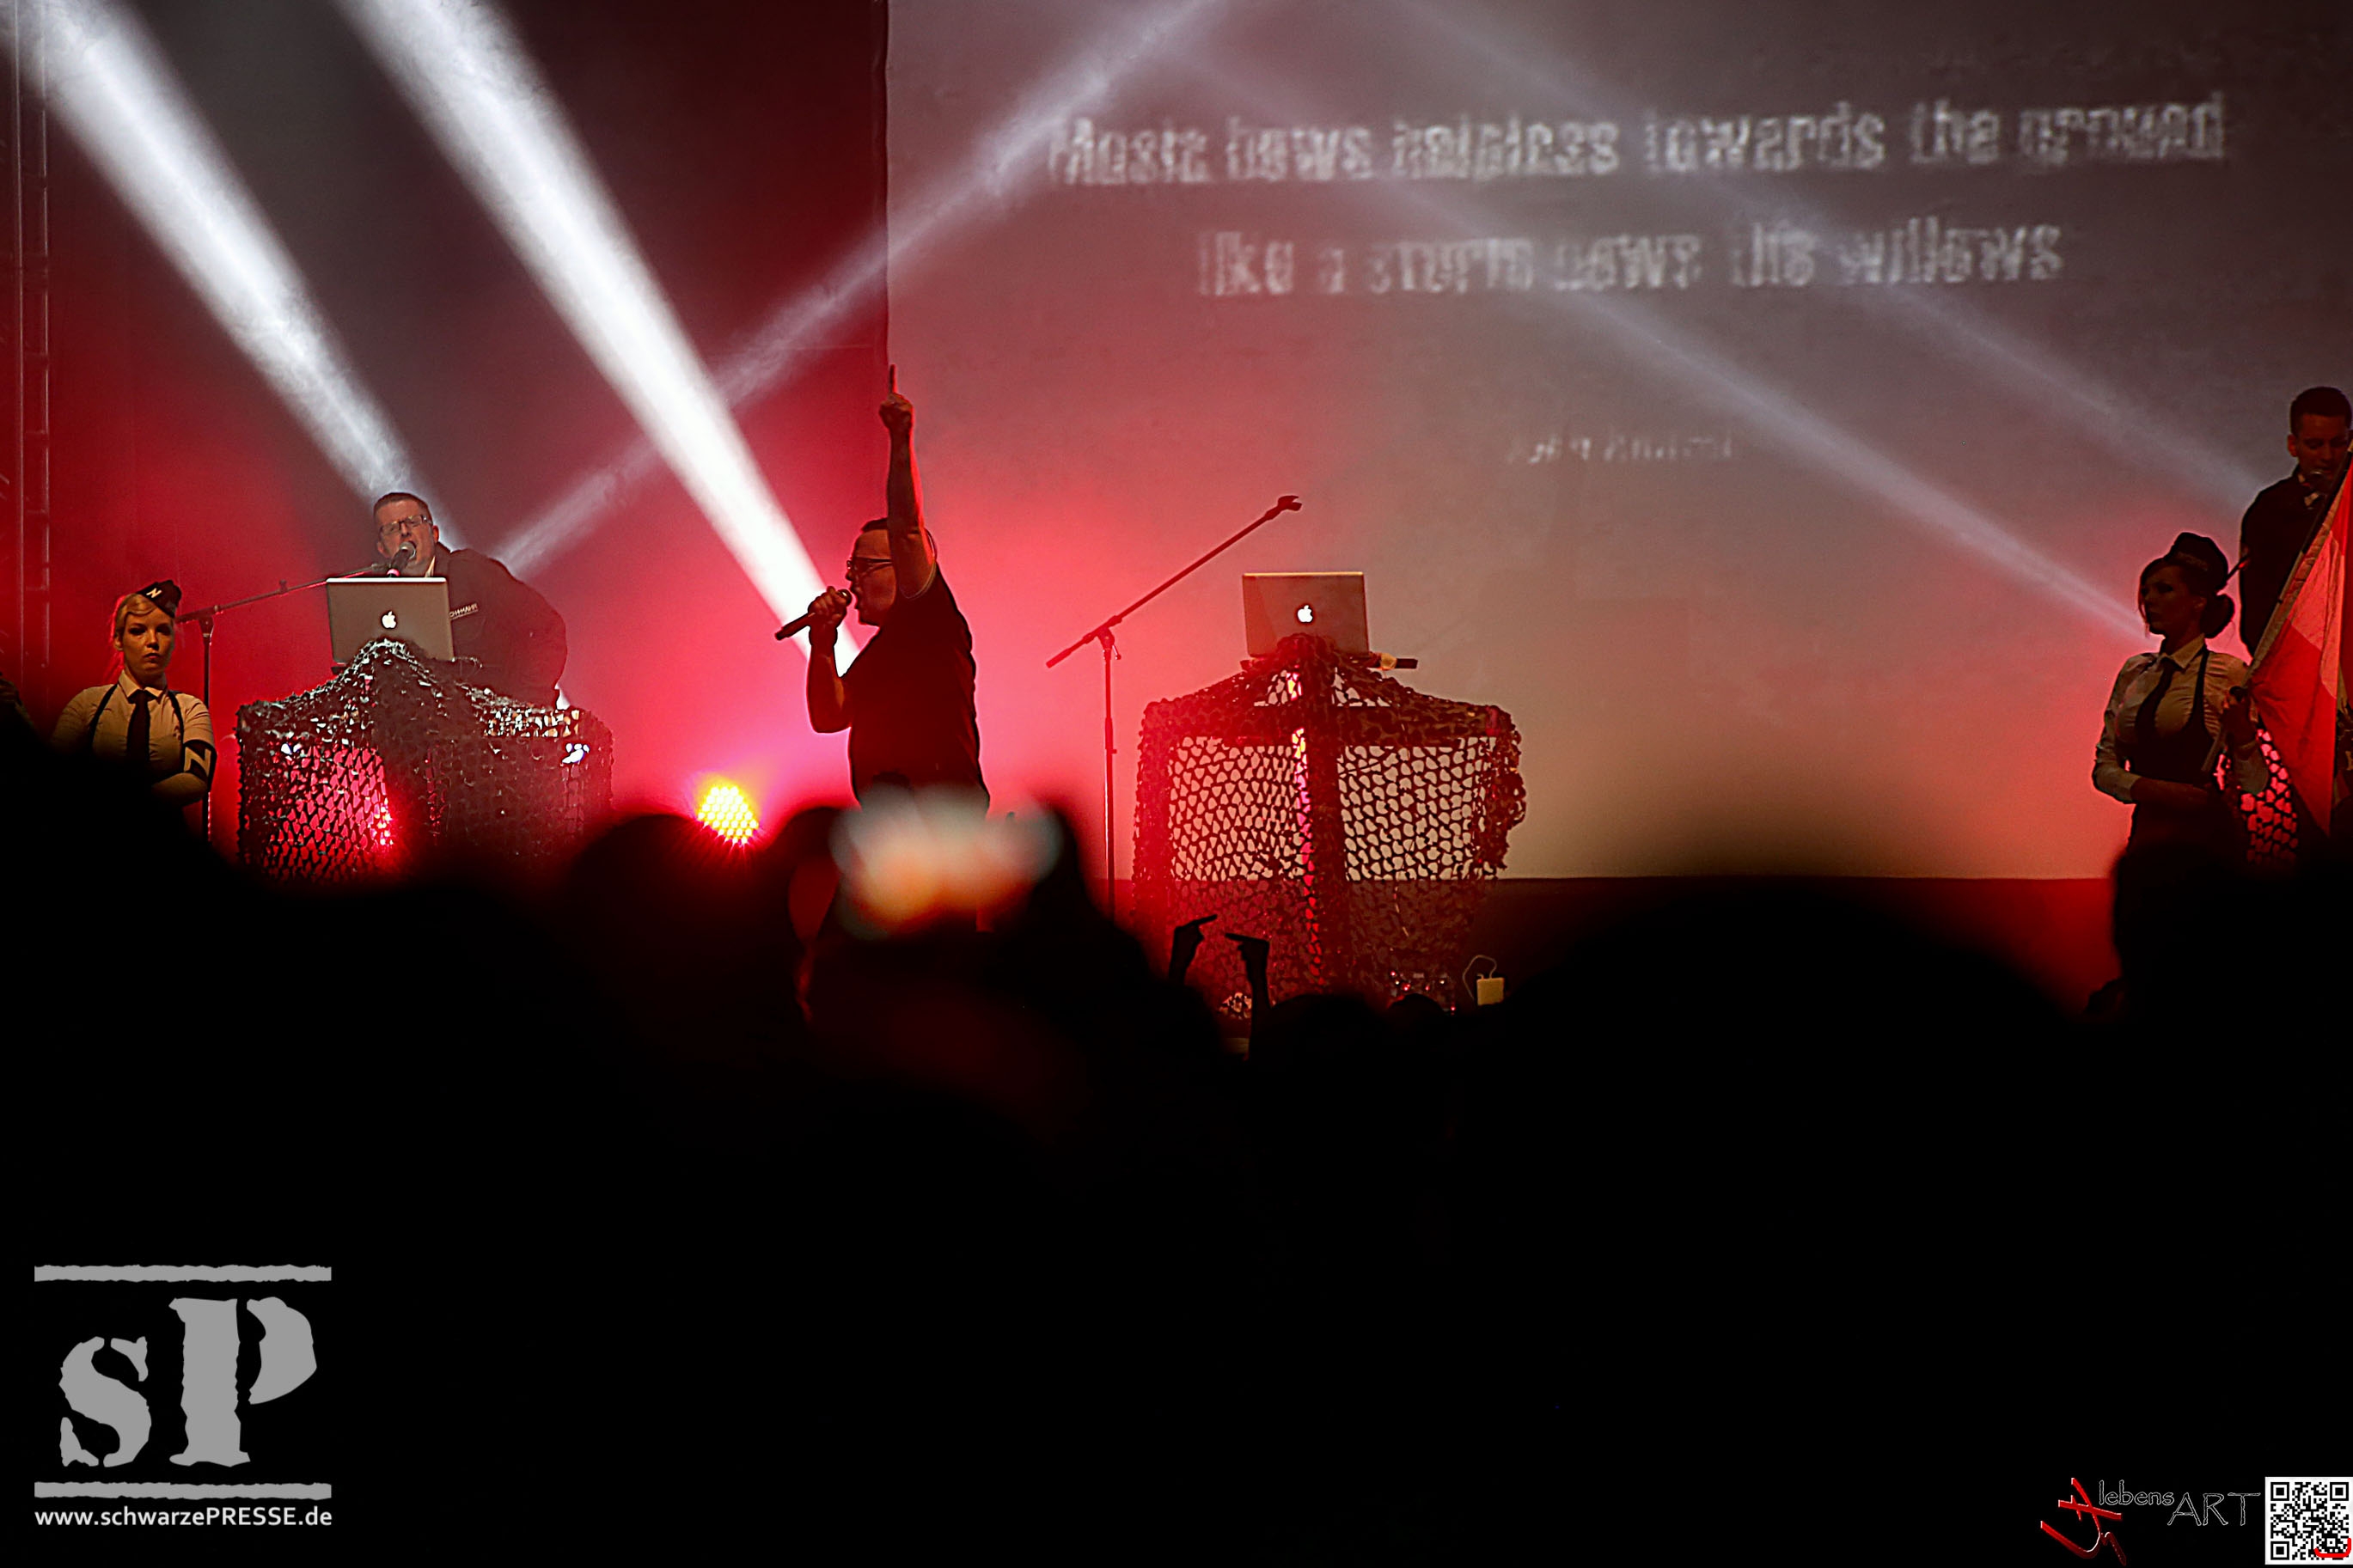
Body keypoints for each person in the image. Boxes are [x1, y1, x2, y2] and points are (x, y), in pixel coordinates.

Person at [800, 372, 986, 803]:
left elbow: (906, 530)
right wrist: (823, 645)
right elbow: (829, 717)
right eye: (852, 567)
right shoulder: (881, 653)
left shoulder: (930, 621)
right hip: (889, 826)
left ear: (902, 569)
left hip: (941, 822)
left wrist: (900, 439)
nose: (852, 579)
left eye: (864, 567)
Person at [2094, 534, 2268, 851]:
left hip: (2203, 840)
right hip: (2147, 838)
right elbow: (2104, 768)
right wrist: (2161, 792)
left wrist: (2243, 734)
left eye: (2164, 589)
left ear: (2198, 602)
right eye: (2145, 591)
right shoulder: (2136, 671)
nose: (2149, 600)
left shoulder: (2226, 672)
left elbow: (2255, 784)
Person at [366, 491, 569, 706]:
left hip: (500, 715)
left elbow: (547, 628)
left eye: (413, 522)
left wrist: (527, 700)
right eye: (392, 528)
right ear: (382, 549)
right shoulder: (381, 604)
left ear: (434, 533)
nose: (404, 532)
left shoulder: (470, 571)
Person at [49, 580, 216, 809]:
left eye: (163, 631)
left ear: (174, 641)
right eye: (138, 631)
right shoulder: (87, 704)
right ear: (118, 639)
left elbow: (197, 778)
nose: (153, 642)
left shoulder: (190, 709)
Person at [2237, 386, 2350, 657]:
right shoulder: (2270, 509)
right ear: (2293, 445)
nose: (2327, 456)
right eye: (2315, 445)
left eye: (2338, 443)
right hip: (2292, 657)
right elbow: (2257, 605)